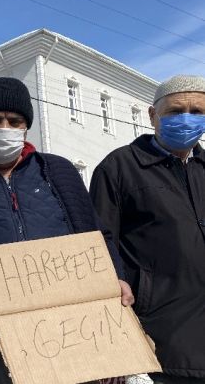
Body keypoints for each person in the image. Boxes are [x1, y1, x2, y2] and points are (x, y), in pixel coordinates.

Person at [0, 77, 133, 384]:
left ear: (26, 127)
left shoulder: (60, 172)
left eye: (14, 121)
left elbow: (98, 238)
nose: (4, 127)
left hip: (72, 333)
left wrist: (116, 279)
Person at [90, 75, 205, 384]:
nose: (186, 119)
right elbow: (99, 247)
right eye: (175, 111)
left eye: (197, 112)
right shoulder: (118, 168)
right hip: (160, 340)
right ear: (153, 115)